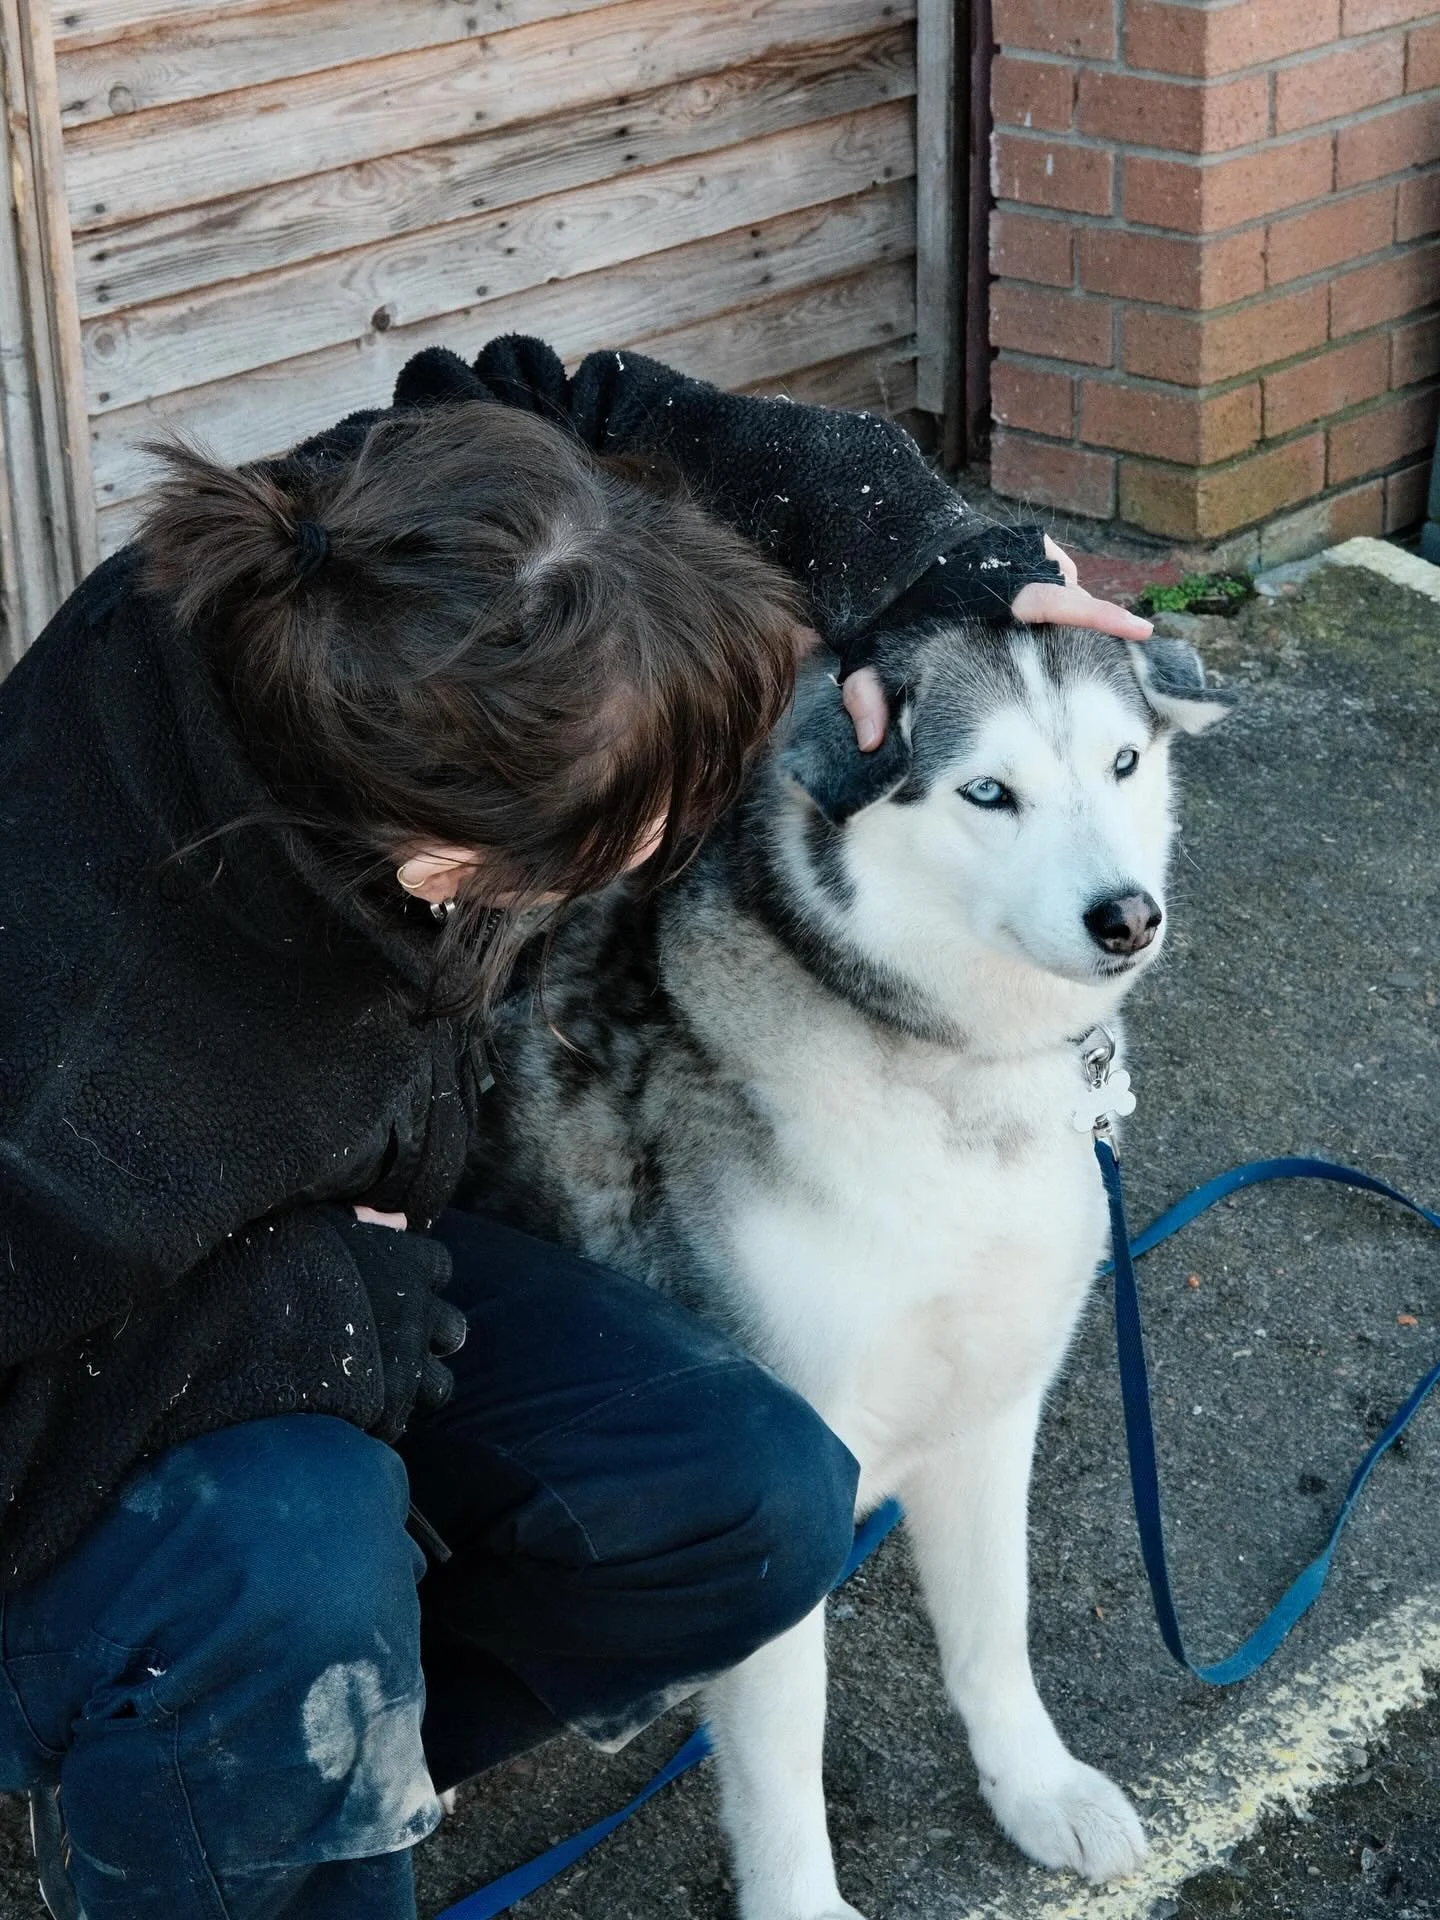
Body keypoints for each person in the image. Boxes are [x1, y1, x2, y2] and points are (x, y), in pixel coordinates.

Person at [0, 335, 1149, 1919]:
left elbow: (566, 401)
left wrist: (915, 557)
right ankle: (217, 1774)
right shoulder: (81, 1073)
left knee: (754, 1495)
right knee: (298, 1565)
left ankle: (279, 1757)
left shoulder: (385, 555)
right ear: (447, 877)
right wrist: (317, 1309)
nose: (677, 857)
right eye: (632, 845)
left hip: (326, 1232)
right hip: (73, 1412)